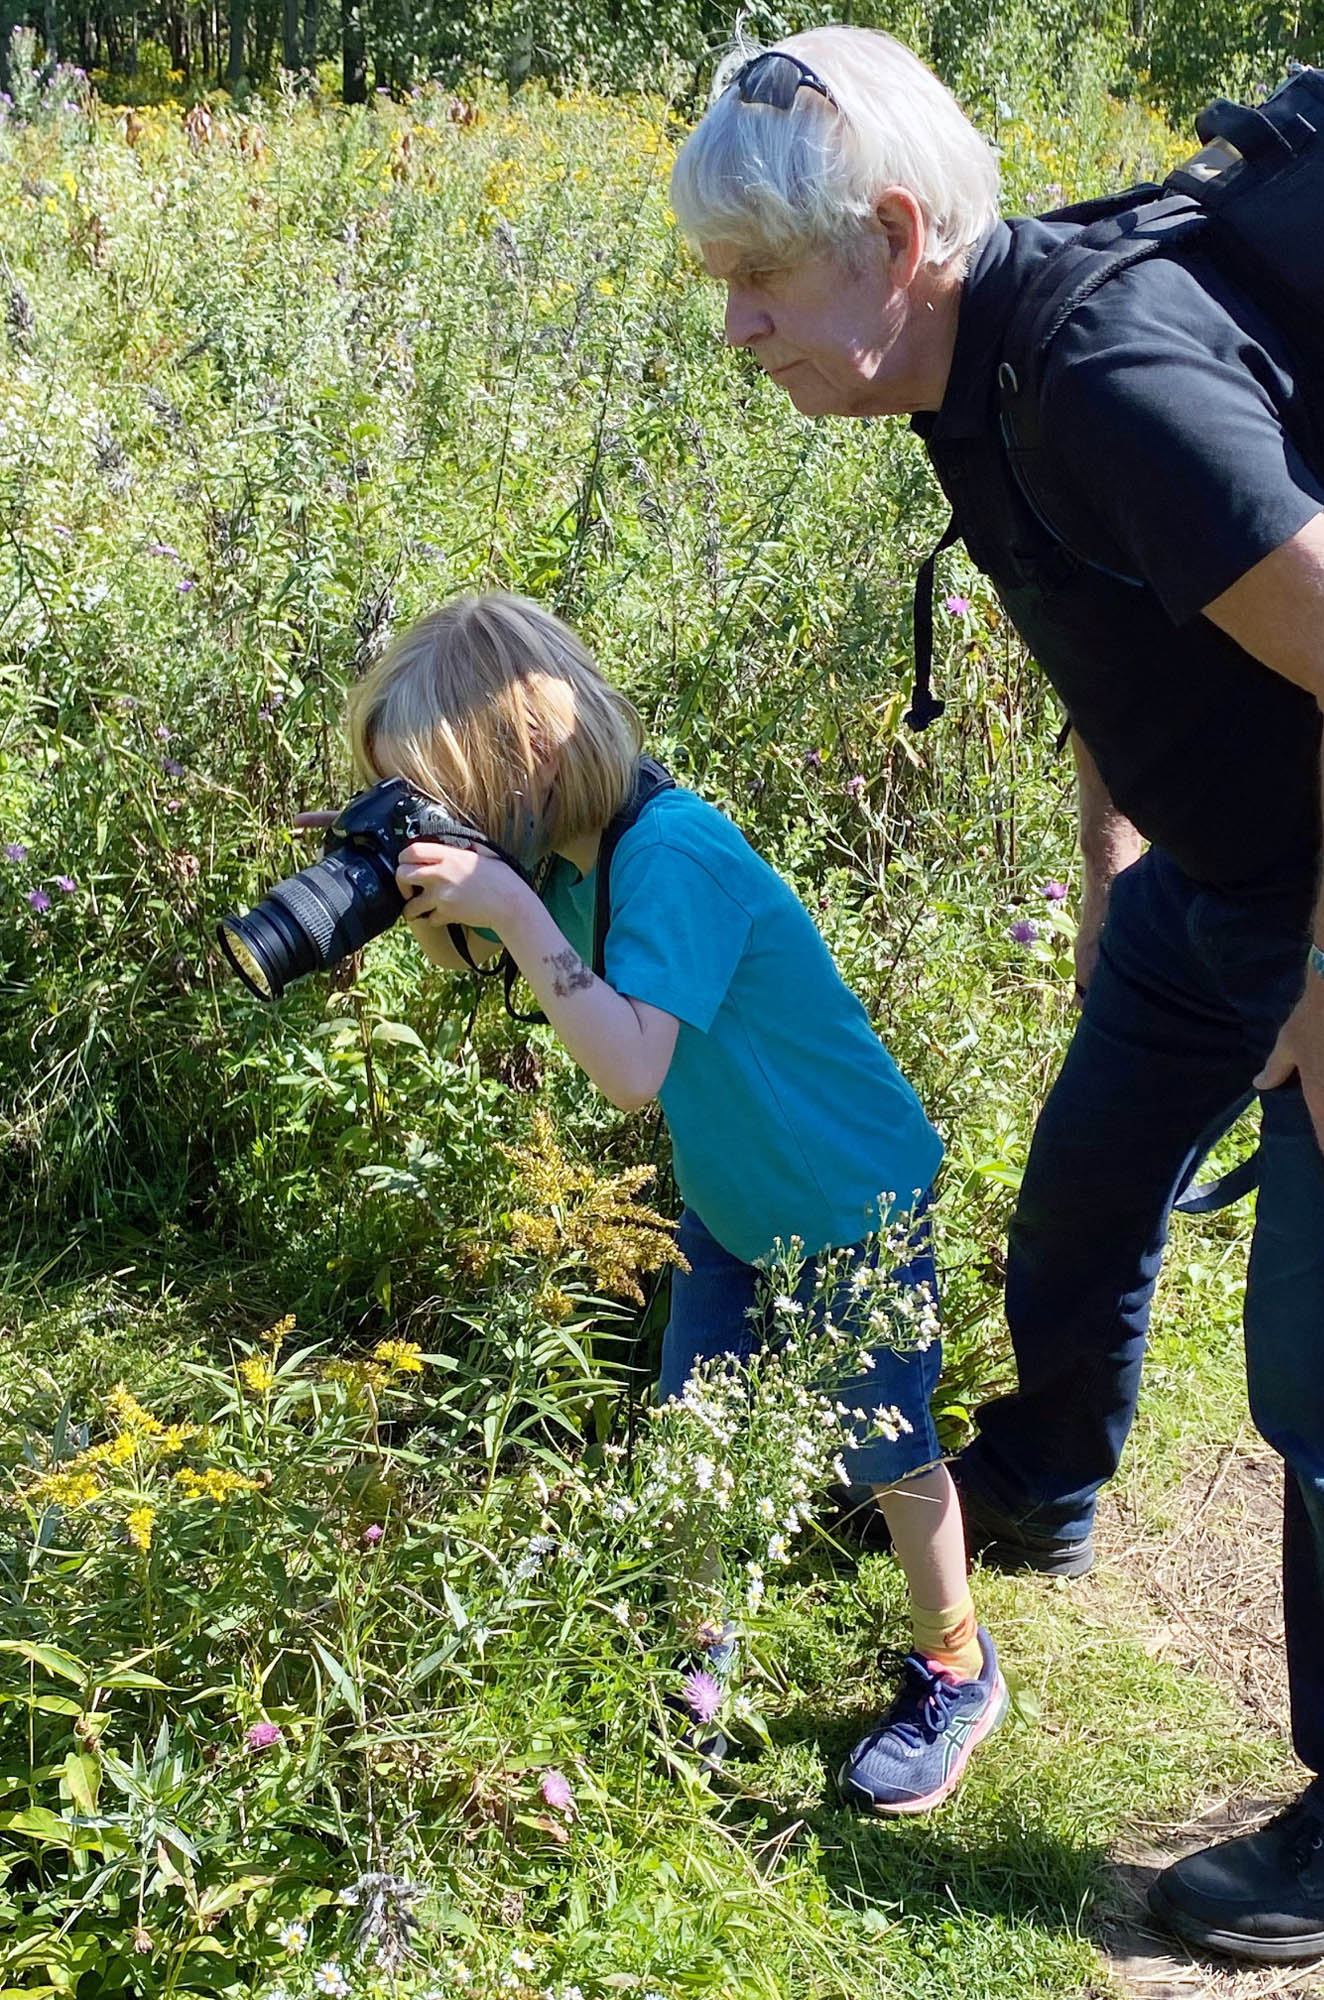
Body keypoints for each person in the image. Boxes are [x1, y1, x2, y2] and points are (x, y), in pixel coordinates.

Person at [670, 25, 1324, 1963]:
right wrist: (1116, 884)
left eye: (755, 282)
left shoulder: (1108, 375)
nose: (737, 331)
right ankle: (1044, 1476)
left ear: (889, 237)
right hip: (1212, 882)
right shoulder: (974, 369)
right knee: (1082, 1185)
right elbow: (1112, 631)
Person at [338, 586, 1008, 1814]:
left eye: (449, 795)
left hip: (851, 1197)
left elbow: (632, 1071)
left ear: (525, 756)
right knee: (691, 1426)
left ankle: (957, 1661)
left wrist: (512, 903)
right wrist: (406, 881)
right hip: (737, 1203)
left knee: (884, 1444)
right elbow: (493, 957)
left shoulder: (672, 853)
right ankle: (703, 1660)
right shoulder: (563, 853)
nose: (450, 821)